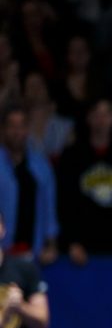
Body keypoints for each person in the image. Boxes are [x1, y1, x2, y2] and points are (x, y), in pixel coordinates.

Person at [58, 97, 112, 267]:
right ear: (89, 118)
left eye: (106, 114)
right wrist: (71, 242)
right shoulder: (72, 156)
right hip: (82, 246)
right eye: (97, 114)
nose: (101, 120)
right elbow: (65, 203)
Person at [0, 103, 59, 263]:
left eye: (21, 126)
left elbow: (49, 208)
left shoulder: (41, 165)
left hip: (34, 255)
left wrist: (51, 245)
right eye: (11, 126)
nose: (17, 132)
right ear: (3, 130)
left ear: (28, 129)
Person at [0, 211, 50, 328]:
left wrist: (20, 306)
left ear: (2, 229)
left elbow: (42, 322)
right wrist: (6, 313)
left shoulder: (25, 269)